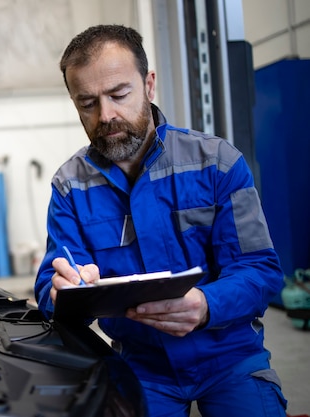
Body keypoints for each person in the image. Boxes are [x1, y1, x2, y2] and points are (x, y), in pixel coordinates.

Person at [34, 24, 287, 417]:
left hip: (230, 356)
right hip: (141, 366)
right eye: (87, 103)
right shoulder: (70, 187)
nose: (106, 115)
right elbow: (51, 288)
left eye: (119, 94)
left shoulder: (216, 163)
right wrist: (64, 292)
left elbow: (260, 269)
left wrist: (206, 304)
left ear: (149, 84)